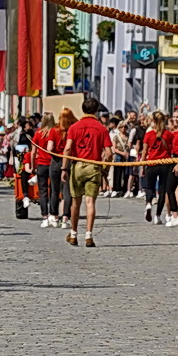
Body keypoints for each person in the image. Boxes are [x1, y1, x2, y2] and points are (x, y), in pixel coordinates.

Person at [64, 97, 112, 246]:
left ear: (83, 110)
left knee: (75, 202)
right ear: (96, 111)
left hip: (77, 166)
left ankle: (73, 234)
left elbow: (67, 148)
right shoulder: (102, 128)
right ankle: (89, 235)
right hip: (93, 166)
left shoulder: (74, 127)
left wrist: (64, 168)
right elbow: (109, 153)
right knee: (90, 202)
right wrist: (105, 170)